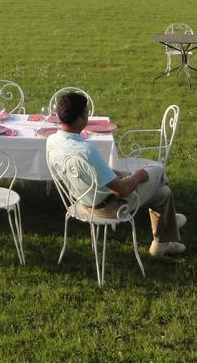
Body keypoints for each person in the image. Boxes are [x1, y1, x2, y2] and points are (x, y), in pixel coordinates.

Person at [46, 91, 186, 256]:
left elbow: (84, 171)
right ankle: (168, 222)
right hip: (107, 208)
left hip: (81, 199)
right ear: (79, 120)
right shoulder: (86, 150)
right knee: (158, 171)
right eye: (86, 112)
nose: (87, 116)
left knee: (163, 194)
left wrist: (109, 173)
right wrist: (138, 175)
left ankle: (163, 235)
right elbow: (123, 190)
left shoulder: (52, 141)